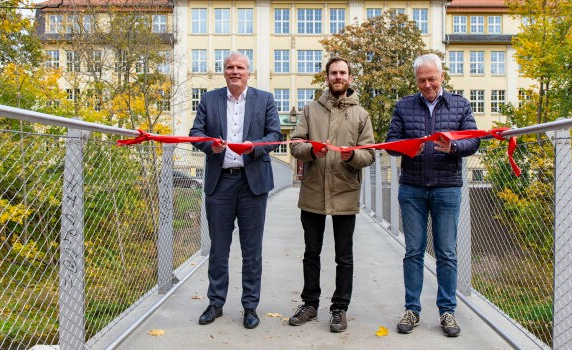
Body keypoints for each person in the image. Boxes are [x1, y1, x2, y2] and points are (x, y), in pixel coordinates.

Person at [385, 53, 479, 337]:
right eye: (422, 80)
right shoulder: (404, 106)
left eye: (432, 79)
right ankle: (412, 309)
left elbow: (474, 140)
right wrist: (404, 148)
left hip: (446, 187)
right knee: (413, 251)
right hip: (412, 187)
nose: (427, 85)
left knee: (446, 253)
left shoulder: (460, 105)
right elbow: (390, 143)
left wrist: (455, 149)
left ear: (442, 77)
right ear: (416, 80)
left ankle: (447, 312)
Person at [189, 51, 281, 329]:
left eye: (240, 67)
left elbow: (275, 135)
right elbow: (196, 133)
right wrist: (210, 146)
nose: (235, 71)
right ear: (224, 72)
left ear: (248, 72)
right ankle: (215, 302)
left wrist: (254, 146)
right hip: (220, 183)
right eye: (230, 67)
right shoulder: (209, 99)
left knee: (251, 250)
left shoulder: (264, 99)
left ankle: (250, 307)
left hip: (252, 183)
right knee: (219, 248)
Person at [288, 57, 375, 333]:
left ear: (349, 78)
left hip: (345, 192)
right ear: (327, 77)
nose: (338, 77)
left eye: (342, 73)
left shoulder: (361, 114)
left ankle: (339, 308)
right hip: (313, 190)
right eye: (333, 73)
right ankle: (310, 304)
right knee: (311, 252)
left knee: (343, 256)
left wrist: (352, 156)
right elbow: (295, 144)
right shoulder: (310, 109)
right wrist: (312, 151)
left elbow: (369, 153)